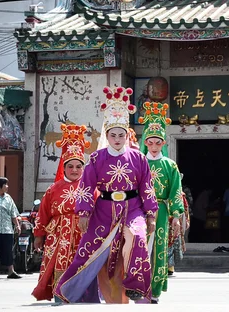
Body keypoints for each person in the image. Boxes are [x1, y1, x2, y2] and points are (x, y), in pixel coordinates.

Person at [54, 86, 158, 304]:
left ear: (126, 135)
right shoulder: (96, 158)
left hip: (133, 207)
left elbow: (147, 186)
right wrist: (83, 212)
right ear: (107, 135)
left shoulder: (138, 158)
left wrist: (151, 214)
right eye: (113, 135)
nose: (117, 139)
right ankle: (67, 290)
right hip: (103, 208)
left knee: (137, 237)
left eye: (121, 135)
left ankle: (136, 287)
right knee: (87, 249)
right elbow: (86, 186)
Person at [32, 124, 97, 302]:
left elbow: (100, 211)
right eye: (70, 166)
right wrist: (39, 235)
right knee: (59, 262)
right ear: (64, 166)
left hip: (83, 232)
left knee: (82, 263)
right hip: (59, 233)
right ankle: (59, 295)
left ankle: (83, 294)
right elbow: (43, 213)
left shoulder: (91, 187)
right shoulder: (53, 189)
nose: (74, 170)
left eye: (78, 166)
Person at [137, 101, 184, 303]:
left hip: (162, 210)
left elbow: (175, 191)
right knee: (138, 247)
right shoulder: (138, 162)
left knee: (158, 249)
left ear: (164, 143)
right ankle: (137, 286)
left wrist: (176, 216)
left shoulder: (170, 165)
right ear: (145, 142)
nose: (154, 146)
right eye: (150, 142)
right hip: (138, 211)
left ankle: (154, 290)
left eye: (158, 142)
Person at [167, 191, 191, 276]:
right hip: (164, 218)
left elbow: (185, 208)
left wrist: (186, 220)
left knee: (173, 243)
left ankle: (170, 266)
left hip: (175, 221)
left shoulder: (180, 194)